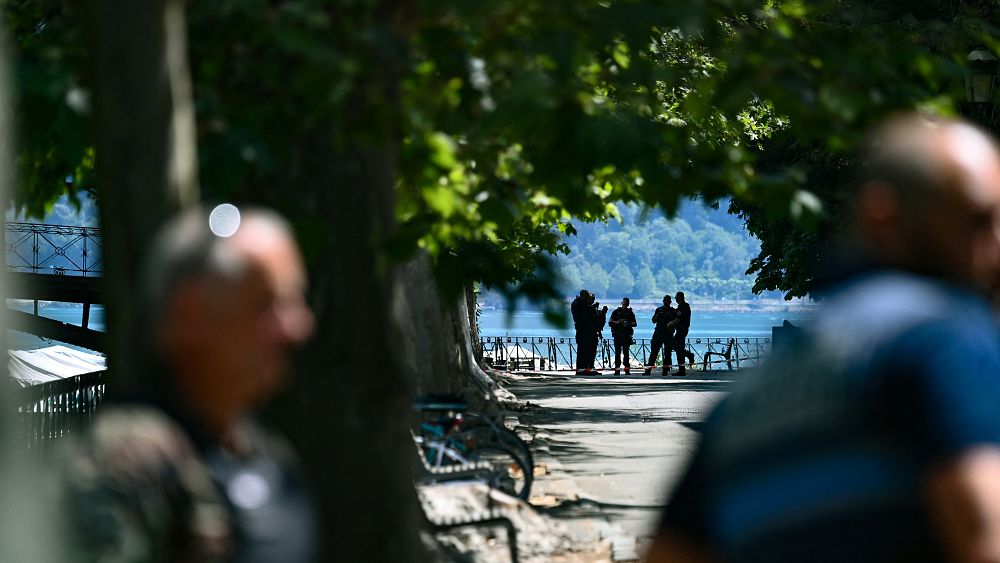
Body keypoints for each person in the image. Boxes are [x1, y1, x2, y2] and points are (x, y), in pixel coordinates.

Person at [647, 114, 1000, 563]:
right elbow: (985, 540)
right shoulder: (938, 342)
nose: (996, 246)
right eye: (977, 221)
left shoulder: (742, 406)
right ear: (884, 218)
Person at [61, 207, 318, 562]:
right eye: (268, 304)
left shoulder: (269, 455)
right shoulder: (127, 466)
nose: (299, 327)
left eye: (296, 301)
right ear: (190, 313)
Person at [645, 294, 677, 376]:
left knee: (668, 352)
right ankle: (648, 370)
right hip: (659, 333)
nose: (666, 302)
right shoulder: (659, 310)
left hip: (668, 333)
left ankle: (665, 371)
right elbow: (653, 320)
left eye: (668, 301)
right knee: (654, 352)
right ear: (663, 301)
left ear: (670, 302)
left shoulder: (673, 311)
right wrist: (658, 314)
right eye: (665, 300)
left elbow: (676, 322)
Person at [609, 297, 637, 375]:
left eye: (626, 304)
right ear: (622, 303)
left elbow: (635, 323)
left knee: (626, 353)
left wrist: (628, 323)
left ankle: (627, 370)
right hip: (617, 335)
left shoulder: (630, 313)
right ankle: (617, 370)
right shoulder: (616, 312)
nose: (625, 305)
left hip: (626, 336)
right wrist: (617, 322)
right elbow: (610, 322)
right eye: (624, 303)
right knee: (617, 353)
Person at [571, 289, 595, 374]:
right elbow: (588, 313)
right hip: (584, 329)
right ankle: (584, 369)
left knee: (582, 350)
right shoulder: (581, 304)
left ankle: (582, 369)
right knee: (584, 351)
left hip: (580, 329)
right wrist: (592, 305)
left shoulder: (575, 303)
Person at [671, 291, 694, 376]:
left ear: (680, 298)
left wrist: (670, 324)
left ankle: (682, 370)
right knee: (675, 346)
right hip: (681, 330)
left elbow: (678, 319)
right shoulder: (682, 307)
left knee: (679, 349)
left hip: (681, 330)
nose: (676, 299)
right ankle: (688, 355)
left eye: (676, 298)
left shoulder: (683, 307)